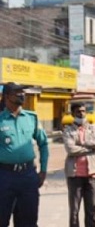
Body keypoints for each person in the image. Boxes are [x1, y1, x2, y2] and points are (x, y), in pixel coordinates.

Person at [0, 82, 49, 227]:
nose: (22, 95)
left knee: (28, 220)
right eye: (17, 92)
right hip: (4, 176)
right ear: (7, 96)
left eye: (23, 92)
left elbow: (43, 144)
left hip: (28, 176)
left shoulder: (31, 118)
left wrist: (44, 170)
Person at [63, 103, 95, 227]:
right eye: (78, 111)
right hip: (74, 175)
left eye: (83, 111)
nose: (81, 114)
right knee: (74, 211)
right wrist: (90, 149)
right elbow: (71, 149)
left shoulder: (93, 128)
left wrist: (84, 143)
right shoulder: (68, 130)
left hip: (91, 175)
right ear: (73, 114)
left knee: (91, 209)